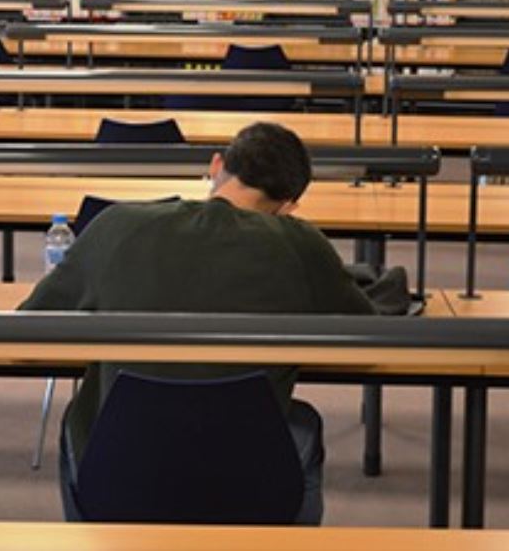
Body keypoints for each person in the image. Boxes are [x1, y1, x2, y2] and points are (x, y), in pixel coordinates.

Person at [20, 122, 375, 525]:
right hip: (252, 481)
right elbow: (368, 331)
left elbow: (28, 325)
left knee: (81, 416)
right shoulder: (302, 244)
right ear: (289, 205)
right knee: (303, 422)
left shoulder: (116, 225)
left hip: (119, 473)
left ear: (216, 165)